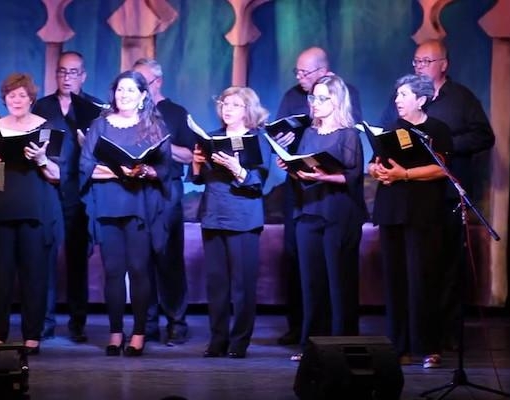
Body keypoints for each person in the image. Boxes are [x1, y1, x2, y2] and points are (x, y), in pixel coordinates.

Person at [272, 46, 363, 346]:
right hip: (308, 212)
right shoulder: (309, 133)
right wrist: (290, 165)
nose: (316, 103)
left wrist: (325, 175)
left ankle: (341, 343)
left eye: (323, 98)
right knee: (311, 282)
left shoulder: (347, 134)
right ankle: (311, 344)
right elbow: (304, 171)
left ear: (337, 101)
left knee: (338, 282)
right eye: (314, 98)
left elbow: (351, 176)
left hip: (337, 214)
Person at [410, 39, 495, 351]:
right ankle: (419, 333)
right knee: (421, 265)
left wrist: (446, 145)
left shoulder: (461, 98)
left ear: (443, 64)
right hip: (415, 196)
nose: (420, 67)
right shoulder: (410, 98)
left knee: (448, 266)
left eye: (426, 62)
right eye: (416, 62)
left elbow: (484, 136)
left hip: (448, 195)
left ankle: (446, 333)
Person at [79, 70, 171, 357]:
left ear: (143, 95)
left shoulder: (154, 126)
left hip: (139, 207)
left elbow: (165, 168)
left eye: (131, 90)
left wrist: (144, 170)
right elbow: (86, 165)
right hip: (108, 206)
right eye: (120, 90)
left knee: (140, 272)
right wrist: (119, 173)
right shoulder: (100, 125)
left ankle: (139, 333)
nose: (124, 95)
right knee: (113, 273)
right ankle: (116, 332)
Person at [368, 74, 452, 369]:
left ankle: (427, 346)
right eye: (397, 95)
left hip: (423, 213)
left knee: (423, 279)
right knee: (395, 281)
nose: (397, 100)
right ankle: (398, 345)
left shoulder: (437, 129)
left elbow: (441, 168)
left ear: (421, 99)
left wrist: (404, 174)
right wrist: (377, 171)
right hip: (392, 211)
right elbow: (373, 163)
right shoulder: (392, 129)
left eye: (403, 95)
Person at [191, 86, 270, 359]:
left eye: (235, 105)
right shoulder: (212, 138)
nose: (228, 109)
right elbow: (198, 180)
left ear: (248, 110)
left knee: (243, 286)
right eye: (225, 103)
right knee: (217, 284)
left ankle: (239, 342)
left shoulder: (257, 139)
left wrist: (238, 170)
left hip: (244, 219)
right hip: (214, 216)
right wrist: (196, 164)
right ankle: (217, 340)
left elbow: (259, 181)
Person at [31, 51, 103, 343]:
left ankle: (78, 322)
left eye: (73, 72)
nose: (67, 77)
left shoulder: (92, 109)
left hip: (79, 195)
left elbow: (102, 153)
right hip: (47, 191)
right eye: (62, 72)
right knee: (44, 260)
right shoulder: (41, 107)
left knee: (77, 260)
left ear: (83, 76)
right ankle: (45, 322)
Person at [0, 73, 61, 355]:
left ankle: (32, 335)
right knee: (0, 276)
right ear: (5, 99)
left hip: (35, 211)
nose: (17, 100)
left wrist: (42, 160)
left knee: (34, 276)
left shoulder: (44, 128)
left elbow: (56, 176)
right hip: (2, 210)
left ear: (31, 99)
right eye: (11, 95)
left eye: (22, 95)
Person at [132, 57, 194, 345]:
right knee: (140, 261)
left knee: (169, 259)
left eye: (142, 82)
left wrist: (163, 143)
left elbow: (191, 155)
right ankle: (147, 323)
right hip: (136, 191)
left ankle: (176, 322)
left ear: (157, 82)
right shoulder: (129, 112)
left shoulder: (176, 113)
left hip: (167, 192)